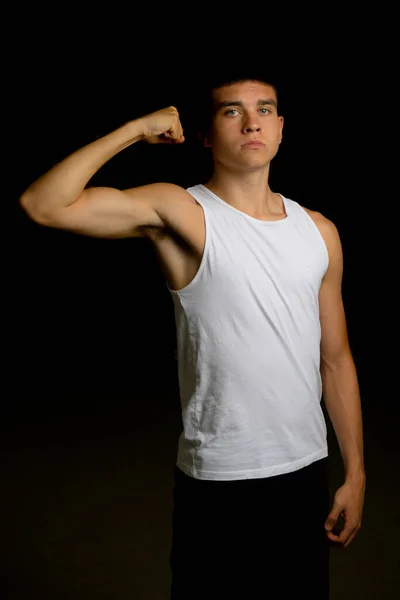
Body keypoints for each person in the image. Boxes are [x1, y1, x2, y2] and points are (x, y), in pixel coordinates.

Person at [19, 73, 366, 599]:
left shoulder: (318, 231)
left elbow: (336, 360)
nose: (252, 122)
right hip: (221, 479)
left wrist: (356, 473)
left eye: (264, 110)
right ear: (206, 134)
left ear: (280, 129)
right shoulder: (181, 210)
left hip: (305, 472)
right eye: (232, 111)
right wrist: (135, 130)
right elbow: (43, 205)